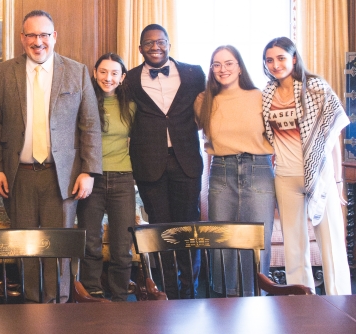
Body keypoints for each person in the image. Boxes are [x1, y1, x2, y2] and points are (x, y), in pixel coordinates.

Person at [0, 10, 102, 303]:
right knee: (25, 246)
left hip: (62, 177)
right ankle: (30, 306)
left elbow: (90, 126)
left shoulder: (77, 71)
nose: (38, 42)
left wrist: (89, 171)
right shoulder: (1, 72)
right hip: (17, 175)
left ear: (54, 36)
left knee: (58, 248)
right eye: (32, 35)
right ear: (22, 38)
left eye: (44, 35)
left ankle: (58, 305)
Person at [262, 37, 350, 295]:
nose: (275, 64)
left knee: (331, 240)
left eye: (280, 58)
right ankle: (301, 301)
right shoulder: (268, 94)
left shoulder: (316, 88)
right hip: (285, 177)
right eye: (269, 60)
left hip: (320, 174)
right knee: (294, 245)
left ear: (294, 58)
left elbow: (333, 137)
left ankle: (340, 300)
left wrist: (337, 181)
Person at [123, 23, 205, 299]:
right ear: (140, 48)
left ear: (169, 44)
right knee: (161, 231)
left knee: (187, 230)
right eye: (149, 43)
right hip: (149, 165)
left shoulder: (194, 74)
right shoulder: (130, 79)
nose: (155, 47)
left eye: (160, 42)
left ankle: (189, 292)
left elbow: (212, 107)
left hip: (186, 162)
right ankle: (167, 293)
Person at [194, 45, 275, 296]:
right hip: (221, 171)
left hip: (258, 169)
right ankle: (224, 300)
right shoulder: (203, 101)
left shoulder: (260, 96)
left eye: (229, 63)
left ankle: (256, 298)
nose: (223, 69)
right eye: (216, 64)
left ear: (239, 67)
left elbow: (281, 135)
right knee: (223, 240)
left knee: (258, 240)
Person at [77, 53, 135, 301]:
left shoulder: (132, 105)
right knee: (90, 242)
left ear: (122, 77)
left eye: (114, 73)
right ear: (94, 72)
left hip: (123, 179)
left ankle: (120, 295)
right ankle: (92, 292)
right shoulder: (84, 101)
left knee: (122, 246)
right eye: (103, 71)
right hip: (92, 178)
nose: (107, 77)